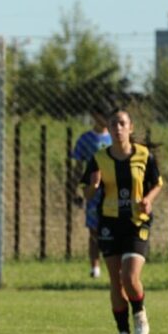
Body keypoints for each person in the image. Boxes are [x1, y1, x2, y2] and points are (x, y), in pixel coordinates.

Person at [80, 109, 163, 334]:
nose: (117, 128)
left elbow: (157, 183)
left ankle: (139, 312)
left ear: (131, 127)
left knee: (129, 275)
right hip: (109, 223)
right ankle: (123, 330)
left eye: (122, 124)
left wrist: (148, 199)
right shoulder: (99, 158)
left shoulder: (144, 155)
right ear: (109, 127)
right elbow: (86, 193)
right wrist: (93, 186)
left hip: (137, 222)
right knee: (116, 280)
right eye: (113, 124)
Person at [70, 103, 112, 278]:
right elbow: (78, 168)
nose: (107, 120)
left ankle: (113, 265)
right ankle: (95, 267)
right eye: (104, 115)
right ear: (95, 115)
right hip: (94, 192)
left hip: (113, 191)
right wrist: (76, 189)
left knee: (114, 230)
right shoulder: (85, 139)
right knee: (94, 230)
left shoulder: (115, 138)